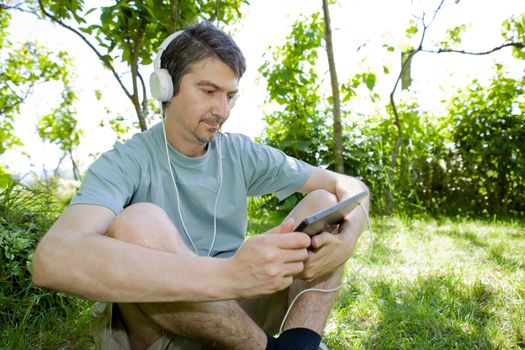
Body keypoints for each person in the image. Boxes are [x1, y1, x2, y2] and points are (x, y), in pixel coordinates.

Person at [32, 22, 369, 350]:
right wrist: (228, 274)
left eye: (230, 96)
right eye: (208, 91)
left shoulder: (239, 152)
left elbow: (348, 184)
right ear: (165, 87)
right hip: (162, 327)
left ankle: (300, 345)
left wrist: (350, 236)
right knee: (138, 221)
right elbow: (52, 259)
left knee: (325, 201)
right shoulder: (124, 161)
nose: (221, 110)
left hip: (238, 316)